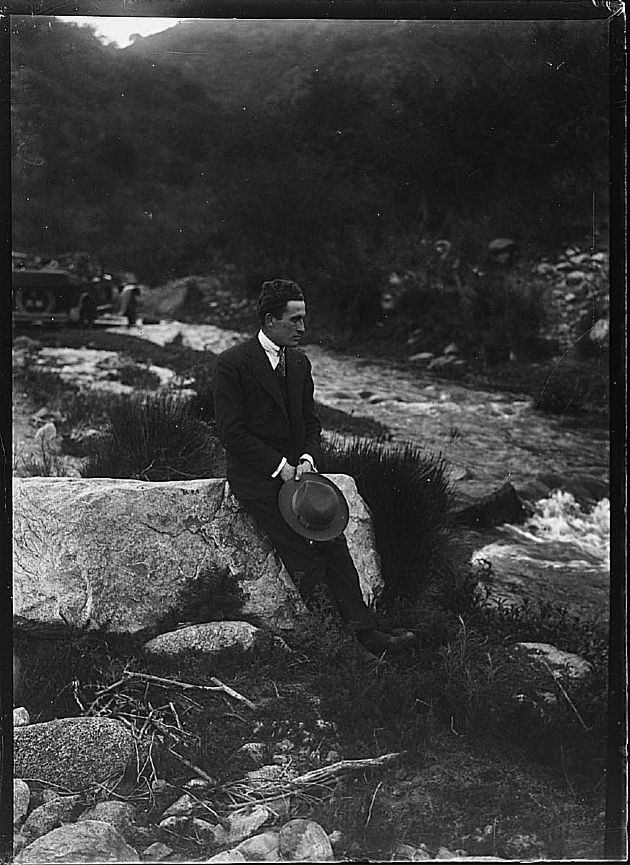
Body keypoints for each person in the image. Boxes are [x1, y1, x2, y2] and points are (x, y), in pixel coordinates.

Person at [213, 278, 414, 658]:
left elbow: (311, 424)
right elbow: (231, 433)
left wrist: (306, 458)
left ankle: (367, 634)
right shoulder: (233, 364)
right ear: (270, 320)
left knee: (334, 542)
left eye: (304, 319)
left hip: (300, 474)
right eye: (295, 320)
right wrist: (280, 468)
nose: (303, 328)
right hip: (258, 478)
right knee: (302, 554)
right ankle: (339, 644)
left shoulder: (300, 363)